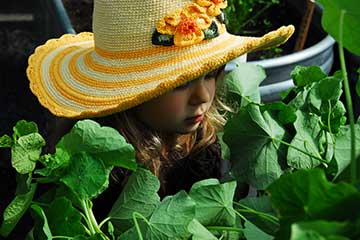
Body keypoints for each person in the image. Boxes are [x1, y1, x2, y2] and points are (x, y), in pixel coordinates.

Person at [27, 0, 294, 216]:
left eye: (211, 74)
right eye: (180, 84)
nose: (203, 96)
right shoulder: (101, 175)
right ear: (129, 90)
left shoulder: (204, 139)